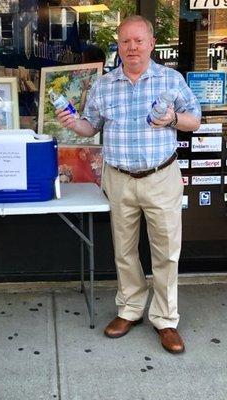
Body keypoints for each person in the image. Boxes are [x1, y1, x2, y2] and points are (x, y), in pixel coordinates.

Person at [56, 15, 201, 354]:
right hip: (118, 178)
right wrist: (71, 122)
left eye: (138, 41)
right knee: (124, 251)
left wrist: (174, 119)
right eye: (125, 42)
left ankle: (165, 319)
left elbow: (195, 119)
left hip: (161, 177)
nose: (132, 47)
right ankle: (130, 309)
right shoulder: (105, 84)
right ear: (118, 47)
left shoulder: (171, 79)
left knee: (166, 252)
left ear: (151, 44)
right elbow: (90, 127)